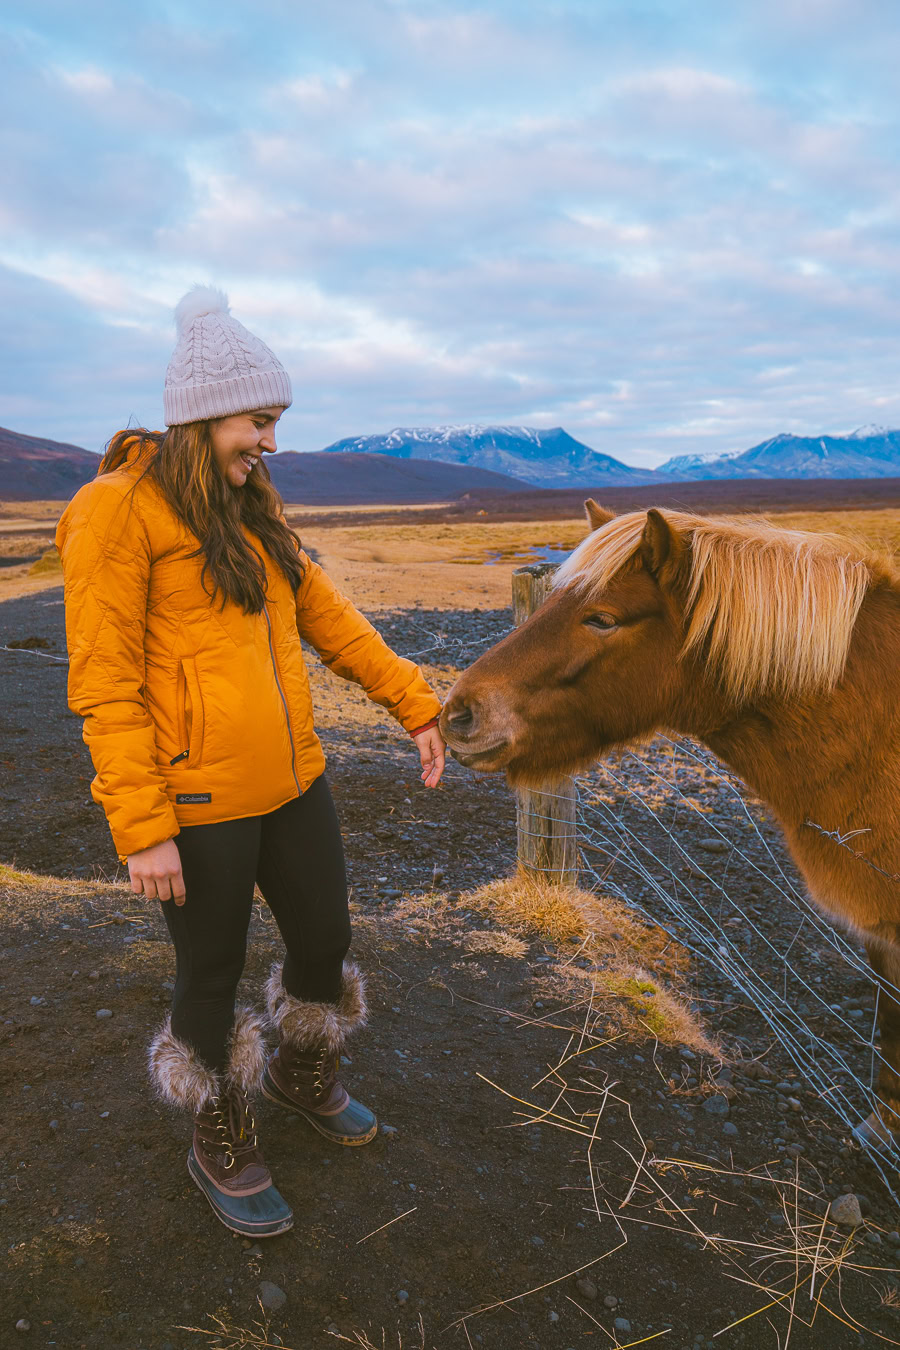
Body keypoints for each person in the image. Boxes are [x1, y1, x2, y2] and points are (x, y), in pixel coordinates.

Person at [55, 287, 446, 1238]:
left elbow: (326, 614)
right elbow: (103, 683)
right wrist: (141, 827)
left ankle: (301, 1068)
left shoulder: (250, 504)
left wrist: (415, 704)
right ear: (201, 416)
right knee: (212, 973)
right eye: (258, 422)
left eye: (274, 424)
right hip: (196, 800)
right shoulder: (115, 513)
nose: (269, 442)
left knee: (325, 942)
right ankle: (218, 1127)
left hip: (293, 780)